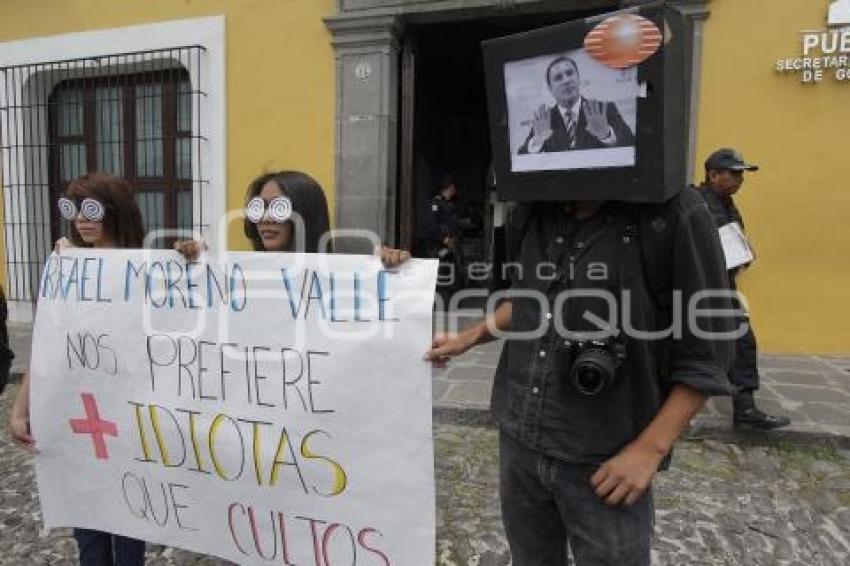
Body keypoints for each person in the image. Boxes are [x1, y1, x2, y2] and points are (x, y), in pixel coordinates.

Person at [425, 188, 734, 565]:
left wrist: (649, 450)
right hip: (520, 446)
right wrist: (468, 337)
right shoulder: (534, 207)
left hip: (607, 459)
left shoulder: (674, 211)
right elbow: (527, 298)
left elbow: (708, 353)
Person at [9, 172, 147, 565]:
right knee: (87, 516)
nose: (82, 220)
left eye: (92, 209)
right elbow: (48, 342)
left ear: (115, 211)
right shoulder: (66, 266)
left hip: (128, 414)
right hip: (79, 415)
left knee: (131, 516)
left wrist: (193, 256)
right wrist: (22, 408)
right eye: (73, 209)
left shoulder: (147, 269)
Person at [698, 148, 791, 430]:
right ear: (714, 175)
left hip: (720, 285)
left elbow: (732, 239)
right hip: (703, 286)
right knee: (739, 340)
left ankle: (743, 406)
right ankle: (744, 408)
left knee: (734, 341)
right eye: (734, 173)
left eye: (742, 174)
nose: (740, 179)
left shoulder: (725, 202)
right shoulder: (699, 203)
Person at [176, 170, 410, 265]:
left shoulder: (341, 280)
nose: (266, 219)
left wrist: (393, 267)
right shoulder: (239, 276)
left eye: (279, 208)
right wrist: (198, 263)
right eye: (259, 208)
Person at [518, 56, 635, 154]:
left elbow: (631, 143)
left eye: (570, 73)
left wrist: (606, 134)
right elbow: (521, 156)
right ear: (550, 89)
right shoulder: (545, 120)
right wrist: (537, 141)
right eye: (558, 77)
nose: (566, 80)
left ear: (578, 78)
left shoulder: (604, 109)